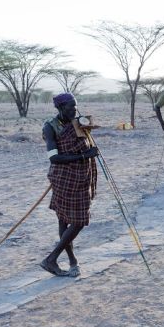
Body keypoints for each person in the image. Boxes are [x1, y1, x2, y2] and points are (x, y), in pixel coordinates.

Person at [40, 93, 99, 277]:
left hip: (82, 177)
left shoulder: (78, 121)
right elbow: (54, 158)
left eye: (76, 106)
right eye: (70, 108)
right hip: (64, 179)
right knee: (73, 220)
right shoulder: (50, 127)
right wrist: (83, 156)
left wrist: (88, 135)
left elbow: (85, 140)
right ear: (60, 108)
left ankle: (72, 261)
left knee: (68, 220)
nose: (74, 110)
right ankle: (53, 259)